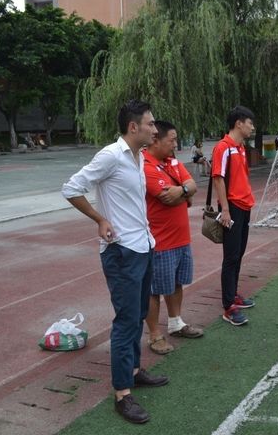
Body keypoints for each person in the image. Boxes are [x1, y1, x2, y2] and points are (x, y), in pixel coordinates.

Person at [62, 99, 168, 424]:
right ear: (133, 127)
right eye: (150, 124)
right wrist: (99, 218)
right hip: (122, 251)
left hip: (142, 245)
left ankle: (134, 371)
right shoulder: (111, 155)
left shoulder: (137, 156)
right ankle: (122, 394)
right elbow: (71, 187)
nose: (155, 129)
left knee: (137, 313)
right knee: (125, 321)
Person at [143, 121, 203, 356]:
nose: (175, 145)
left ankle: (176, 322)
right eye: (172, 140)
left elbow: (191, 185)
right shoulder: (146, 165)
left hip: (181, 238)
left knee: (177, 282)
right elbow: (166, 197)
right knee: (154, 290)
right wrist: (184, 193)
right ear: (156, 139)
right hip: (160, 241)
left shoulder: (173, 162)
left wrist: (183, 191)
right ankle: (154, 335)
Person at [212, 106, 257, 326]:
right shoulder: (224, 147)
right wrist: (226, 210)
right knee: (230, 257)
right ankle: (228, 305)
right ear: (239, 123)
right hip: (232, 209)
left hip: (245, 206)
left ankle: (234, 294)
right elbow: (218, 179)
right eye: (250, 123)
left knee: (238, 253)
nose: (252, 127)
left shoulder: (239, 148)